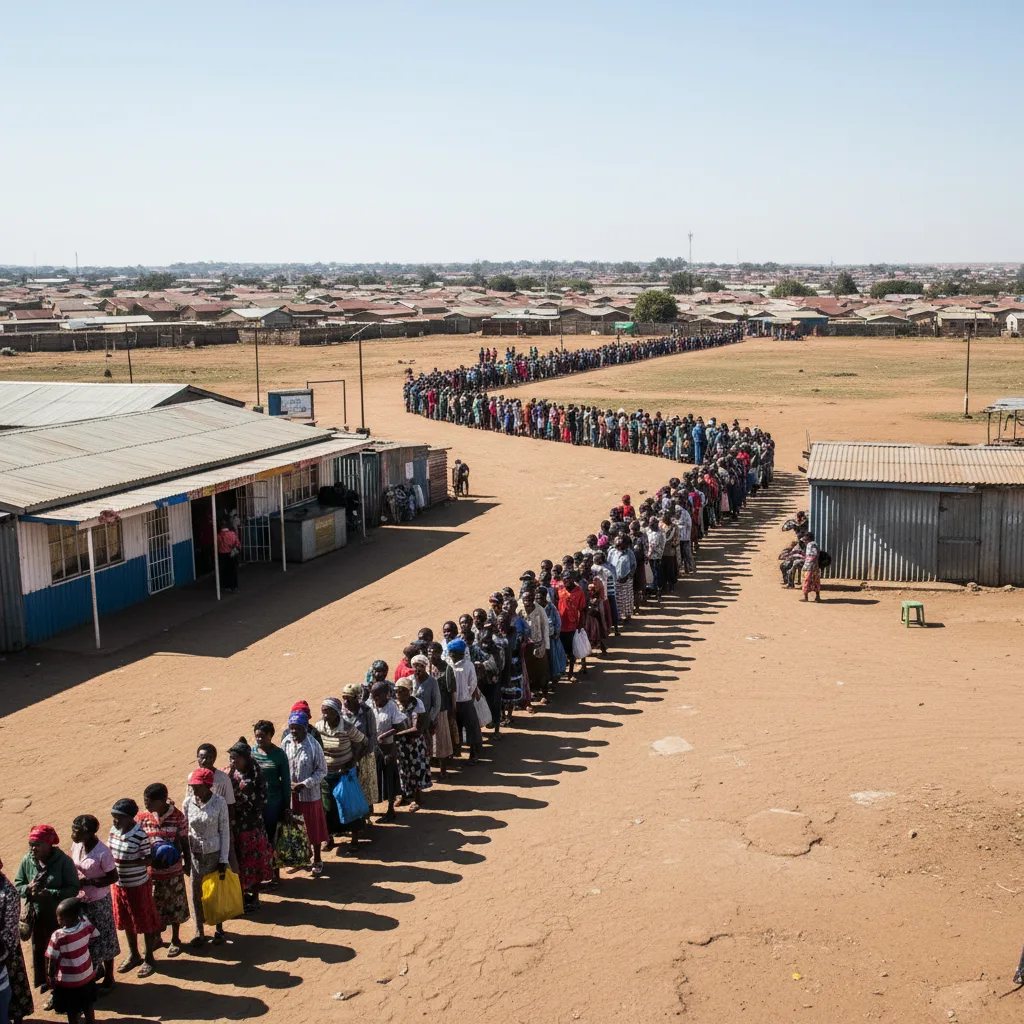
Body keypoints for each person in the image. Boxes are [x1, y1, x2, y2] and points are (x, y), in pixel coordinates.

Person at [14, 824, 79, 1004]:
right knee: (40, 952)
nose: (33, 848)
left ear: (49, 845)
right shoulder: (28, 860)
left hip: (59, 920)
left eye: (37, 844)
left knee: (58, 954)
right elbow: (18, 883)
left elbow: (73, 888)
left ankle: (58, 989)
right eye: (31, 844)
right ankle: (47, 983)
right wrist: (27, 889)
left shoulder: (64, 862)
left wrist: (50, 893)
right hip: (37, 919)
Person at [108, 798, 161, 979]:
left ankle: (149, 958)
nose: (115, 821)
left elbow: (147, 859)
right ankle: (134, 954)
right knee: (126, 921)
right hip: (119, 885)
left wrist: (126, 862)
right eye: (114, 817)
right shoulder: (113, 830)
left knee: (144, 921)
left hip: (137, 885)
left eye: (119, 818)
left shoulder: (141, 835)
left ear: (130, 818)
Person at [135, 786, 190, 957]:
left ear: (162, 800)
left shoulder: (177, 816)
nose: (147, 804)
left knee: (175, 904)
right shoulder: (142, 818)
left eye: (150, 801)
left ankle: (175, 939)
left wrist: (187, 861)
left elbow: (184, 840)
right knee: (154, 907)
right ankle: (157, 937)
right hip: (151, 873)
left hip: (173, 870)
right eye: (145, 801)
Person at [69, 815, 120, 992]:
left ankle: (109, 976)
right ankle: (96, 971)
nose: (74, 834)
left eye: (78, 831)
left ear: (90, 833)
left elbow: (114, 877)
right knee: (88, 939)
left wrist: (90, 882)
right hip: (82, 900)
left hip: (99, 901)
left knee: (105, 938)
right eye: (73, 830)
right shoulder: (76, 845)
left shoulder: (103, 853)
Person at [182, 768, 230, 947]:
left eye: (197, 786)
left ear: (208, 786)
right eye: (192, 786)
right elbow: (184, 830)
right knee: (196, 892)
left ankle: (219, 928)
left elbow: (224, 832)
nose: (193, 789)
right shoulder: (188, 803)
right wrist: (185, 857)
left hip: (214, 854)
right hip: (195, 855)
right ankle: (199, 930)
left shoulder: (219, 803)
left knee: (214, 892)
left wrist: (223, 859)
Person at [226, 738, 273, 911]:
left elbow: (261, 801)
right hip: (235, 827)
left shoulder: (256, 776)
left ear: (245, 758)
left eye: (236, 758)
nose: (233, 762)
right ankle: (241, 896)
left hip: (252, 828)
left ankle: (254, 896)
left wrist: (241, 797)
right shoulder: (231, 775)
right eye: (231, 758)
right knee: (239, 863)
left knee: (253, 863)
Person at [314, 700, 365, 857]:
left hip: (345, 774)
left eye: (327, 711)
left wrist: (354, 759)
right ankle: (328, 838)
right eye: (323, 710)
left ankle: (355, 839)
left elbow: (363, 742)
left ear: (336, 712)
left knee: (350, 805)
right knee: (328, 808)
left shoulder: (348, 727)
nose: (324, 714)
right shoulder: (319, 727)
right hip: (326, 774)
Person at [281, 712, 329, 876]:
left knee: (312, 827)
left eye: (297, 728)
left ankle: (317, 859)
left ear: (305, 728)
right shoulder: (286, 743)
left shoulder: (313, 745)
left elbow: (322, 771)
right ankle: (299, 858)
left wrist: (304, 784)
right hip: (291, 795)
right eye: (291, 728)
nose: (293, 731)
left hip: (309, 795)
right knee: (295, 828)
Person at [44, 898, 98, 1024]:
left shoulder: (58, 936)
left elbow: (51, 958)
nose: (58, 919)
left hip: (68, 981)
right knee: (88, 1005)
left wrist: (50, 977)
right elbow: (94, 937)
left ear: (69, 919)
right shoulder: (85, 923)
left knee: (71, 1010)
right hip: (87, 975)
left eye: (60, 917)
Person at [251, 720, 290, 882]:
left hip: (274, 803)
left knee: (272, 838)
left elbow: (286, 782)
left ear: (270, 736)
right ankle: (262, 873)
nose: (259, 740)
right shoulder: (252, 753)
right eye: (257, 737)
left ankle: (275, 874)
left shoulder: (279, 755)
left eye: (262, 736)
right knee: (259, 839)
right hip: (256, 805)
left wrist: (286, 807)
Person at [341, 683, 379, 843]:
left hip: (364, 756)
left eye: (348, 699)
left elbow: (372, 735)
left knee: (365, 787)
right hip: (348, 758)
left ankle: (366, 817)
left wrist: (360, 755)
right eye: (343, 698)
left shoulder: (367, 711)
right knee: (352, 790)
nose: (345, 702)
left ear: (357, 698)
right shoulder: (342, 714)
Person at [0, 855, 33, 1024]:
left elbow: (9, 927)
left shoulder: (8, 892)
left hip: (7, 950)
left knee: (14, 987)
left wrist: (5, 952)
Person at [393, 680, 433, 811]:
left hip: (414, 743)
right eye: (397, 691)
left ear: (410, 691)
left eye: (402, 691)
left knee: (415, 768)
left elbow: (418, 728)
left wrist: (398, 734)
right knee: (403, 769)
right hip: (401, 743)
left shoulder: (417, 704)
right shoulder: (395, 705)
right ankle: (404, 795)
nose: (399, 694)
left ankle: (417, 797)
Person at [370, 681, 405, 820]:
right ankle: (370, 808)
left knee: (389, 779)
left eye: (378, 695)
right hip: (373, 749)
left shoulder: (392, 707)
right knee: (374, 778)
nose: (375, 698)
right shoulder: (370, 705)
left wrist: (384, 736)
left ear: (387, 695)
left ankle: (390, 809)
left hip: (387, 749)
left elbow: (399, 727)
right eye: (373, 695)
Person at [447, 638, 483, 764]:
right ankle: (455, 751)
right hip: (453, 703)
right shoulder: (449, 666)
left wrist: (467, 695)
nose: (453, 656)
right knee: (453, 727)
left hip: (466, 702)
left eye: (455, 654)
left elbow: (473, 683)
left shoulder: (468, 665)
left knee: (472, 728)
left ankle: (474, 754)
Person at [556, 570, 588, 681]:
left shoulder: (579, 591)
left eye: (568, 579)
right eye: (564, 579)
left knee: (571, 651)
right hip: (560, 625)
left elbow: (583, 609)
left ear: (573, 579)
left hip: (572, 626)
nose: (565, 581)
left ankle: (571, 673)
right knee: (562, 650)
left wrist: (581, 624)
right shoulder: (560, 590)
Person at [217, 519, 241, 593]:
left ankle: (226, 586)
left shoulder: (218, 536)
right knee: (233, 571)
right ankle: (234, 587)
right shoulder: (232, 534)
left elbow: (217, 546)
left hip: (222, 555)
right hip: (232, 554)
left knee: (225, 571)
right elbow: (238, 544)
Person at [802, 531, 822, 602]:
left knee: (807, 580)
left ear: (808, 538)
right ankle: (817, 597)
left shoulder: (810, 544)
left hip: (810, 566)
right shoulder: (814, 544)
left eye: (805, 537)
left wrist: (808, 562)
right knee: (816, 580)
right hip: (815, 566)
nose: (804, 539)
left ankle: (806, 597)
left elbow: (814, 555)